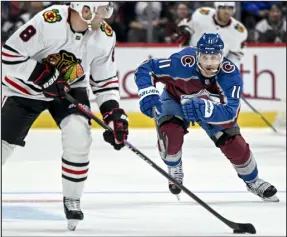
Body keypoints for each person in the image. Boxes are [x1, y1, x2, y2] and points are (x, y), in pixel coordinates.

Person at [2, 2, 129, 231]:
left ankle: (72, 198)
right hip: (24, 89)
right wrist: (41, 76)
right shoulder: (49, 21)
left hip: (69, 88)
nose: (106, 16)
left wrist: (114, 115)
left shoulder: (105, 36)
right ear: (85, 9)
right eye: (102, 9)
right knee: (3, 145)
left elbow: (105, 82)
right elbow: (8, 56)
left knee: (79, 136)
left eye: (107, 9)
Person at [134, 33, 279, 203]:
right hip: (175, 100)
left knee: (233, 143)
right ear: (197, 56)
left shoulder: (230, 74)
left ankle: (253, 181)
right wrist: (147, 93)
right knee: (170, 134)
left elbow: (231, 114)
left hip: (210, 108)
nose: (209, 63)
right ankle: (174, 167)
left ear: (221, 57)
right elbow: (147, 68)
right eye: (205, 57)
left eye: (214, 57)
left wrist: (205, 109)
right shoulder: (181, 62)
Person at [174, 2, 247, 67]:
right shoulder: (202, 14)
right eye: (223, 8)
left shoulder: (239, 31)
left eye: (230, 8)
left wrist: (227, 66)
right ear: (216, 7)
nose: (227, 12)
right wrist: (185, 31)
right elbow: (187, 25)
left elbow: (236, 54)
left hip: (213, 69)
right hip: (191, 60)